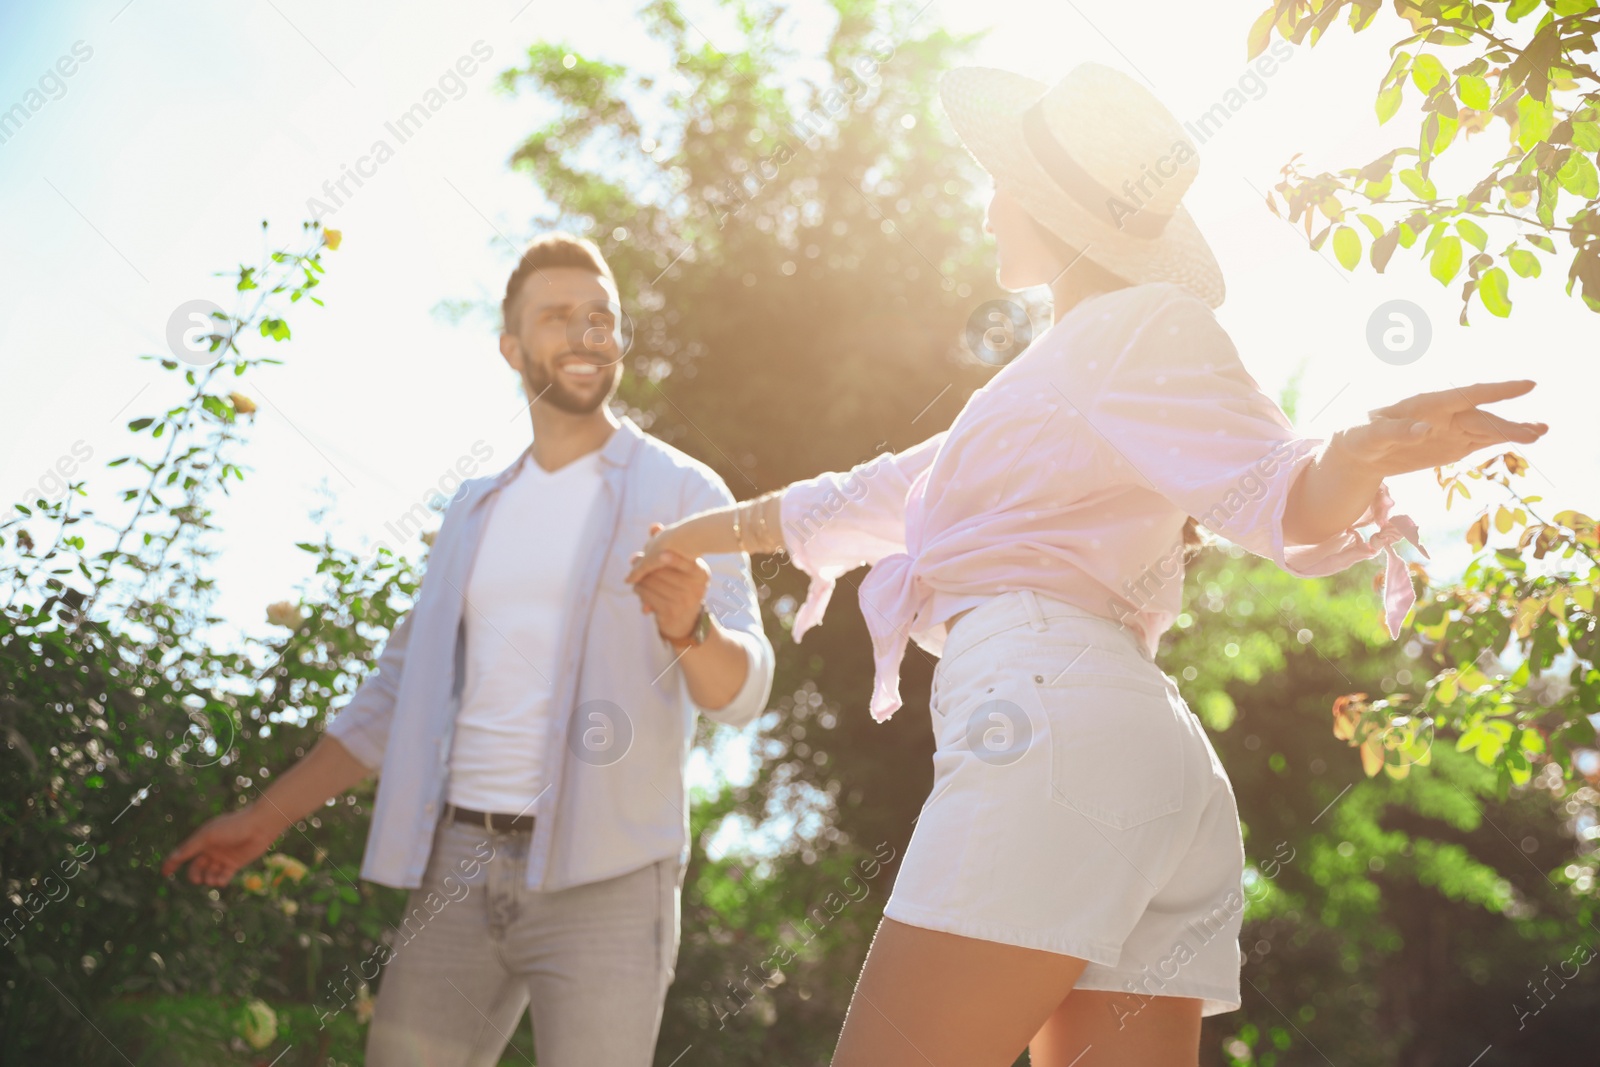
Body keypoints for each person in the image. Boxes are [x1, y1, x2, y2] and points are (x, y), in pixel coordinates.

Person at [625, 64, 1548, 1066]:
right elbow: (837, 504)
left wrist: (1352, 457)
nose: (986, 204)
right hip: (1139, 755)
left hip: (1048, 728)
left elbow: (1272, 483)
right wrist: (677, 539)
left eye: (1001, 180)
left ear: (1047, 208)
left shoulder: (1136, 330)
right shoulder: (1037, 396)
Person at [163, 233, 776, 1066]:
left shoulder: (683, 489)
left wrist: (689, 627)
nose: (586, 333)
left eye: (602, 317)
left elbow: (741, 688)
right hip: (458, 865)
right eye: (559, 316)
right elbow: (393, 697)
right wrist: (262, 819)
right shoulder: (472, 512)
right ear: (512, 347)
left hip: (612, 879)